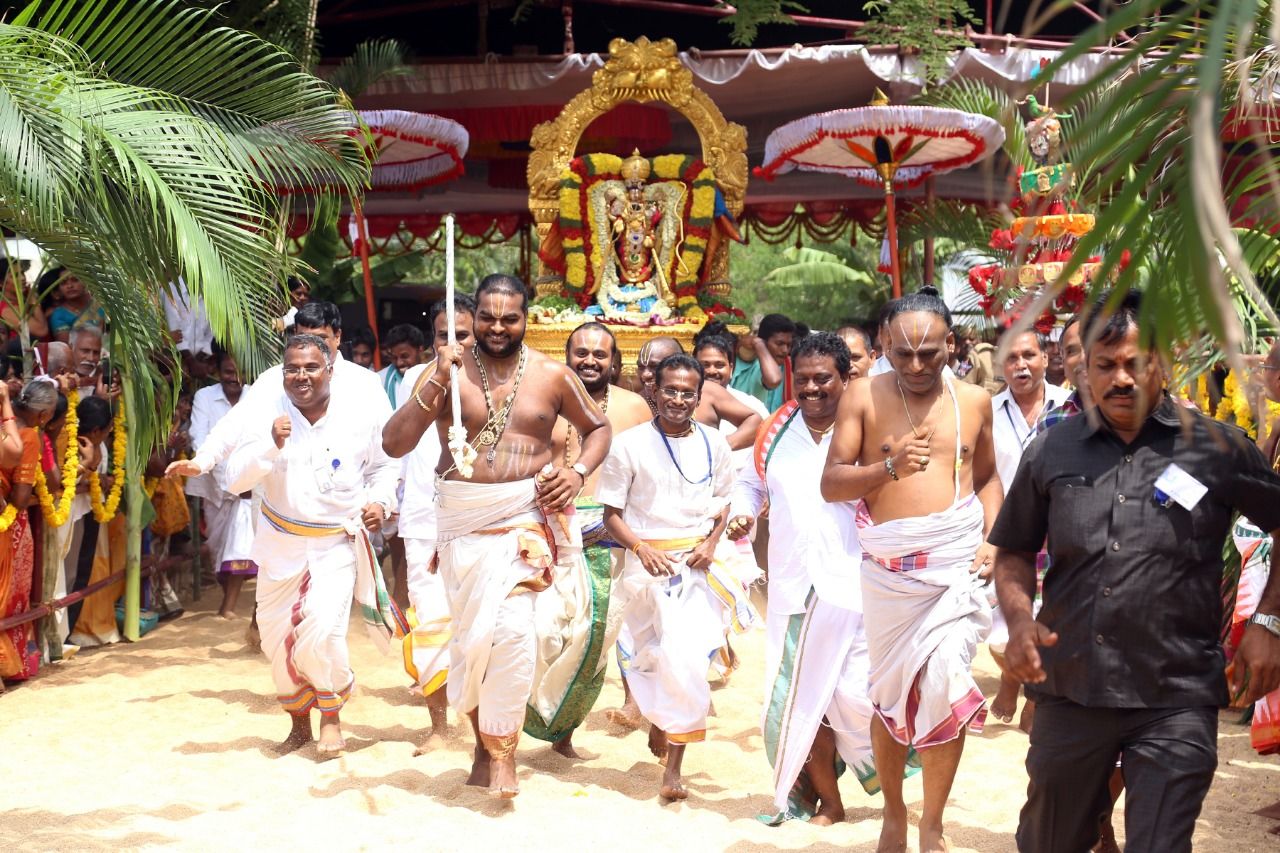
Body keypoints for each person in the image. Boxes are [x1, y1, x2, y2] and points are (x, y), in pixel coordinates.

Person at [989, 291, 1280, 853]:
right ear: (1083, 368)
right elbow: (1014, 550)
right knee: (1049, 842)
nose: (1121, 379)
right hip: (1072, 687)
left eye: (1136, 362)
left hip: (1175, 694)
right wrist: (1020, 619)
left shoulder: (1218, 449)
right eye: (1106, 365)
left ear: (1164, 362)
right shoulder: (1050, 450)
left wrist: (1268, 621)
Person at [381, 273, 610, 799]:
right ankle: (484, 749)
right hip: (461, 526)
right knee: (475, 643)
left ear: (526, 317)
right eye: (488, 317)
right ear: (473, 317)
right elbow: (395, 442)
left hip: (523, 523)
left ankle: (504, 754)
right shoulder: (444, 373)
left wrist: (575, 475)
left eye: (510, 318)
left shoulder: (552, 375)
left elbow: (598, 428)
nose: (499, 327)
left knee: (510, 634)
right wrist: (437, 378)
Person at [821, 290, 1001, 853]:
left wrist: (995, 539)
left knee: (946, 680)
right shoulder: (861, 396)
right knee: (892, 694)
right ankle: (895, 813)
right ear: (883, 346)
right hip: (890, 574)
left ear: (952, 344)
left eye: (930, 352)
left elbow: (990, 477)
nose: (917, 366)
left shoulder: (974, 400)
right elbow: (831, 484)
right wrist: (888, 467)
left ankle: (934, 822)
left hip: (955, 567)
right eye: (902, 354)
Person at [729, 332, 891, 826]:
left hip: (857, 586)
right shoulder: (776, 430)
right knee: (802, 702)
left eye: (824, 378)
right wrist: (743, 511)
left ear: (847, 378)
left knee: (854, 696)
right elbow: (750, 482)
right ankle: (829, 801)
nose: (813, 388)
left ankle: (884, 781)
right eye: (803, 379)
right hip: (793, 586)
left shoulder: (867, 428)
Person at [214, 334, 399, 758]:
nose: (301, 376)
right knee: (276, 641)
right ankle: (299, 724)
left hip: (336, 545)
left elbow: (387, 465)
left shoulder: (359, 415)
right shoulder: (267, 416)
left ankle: (330, 716)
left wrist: (380, 502)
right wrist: (269, 446)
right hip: (279, 545)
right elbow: (235, 480)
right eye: (292, 368)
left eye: (311, 367)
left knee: (321, 629)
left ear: (330, 369)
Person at [596, 353, 758, 802]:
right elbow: (611, 514)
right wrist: (641, 548)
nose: (679, 399)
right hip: (644, 570)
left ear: (699, 394)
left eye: (688, 391)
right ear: (655, 390)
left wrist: (710, 543)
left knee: (685, 662)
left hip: (695, 568)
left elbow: (724, 500)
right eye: (670, 389)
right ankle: (660, 721)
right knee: (648, 658)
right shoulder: (628, 445)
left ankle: (673, 769)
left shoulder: (714, 443)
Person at [521, 321, 651, 758]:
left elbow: (648, 474)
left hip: (610, 535)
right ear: (567, 355)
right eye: (581, 353)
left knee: (593, 641)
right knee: (546, 633)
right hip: (550, 531)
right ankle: (528, 717)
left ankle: (564, 737)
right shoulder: (542, 400)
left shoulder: (633, 407)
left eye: (600, 354)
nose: (590, 360)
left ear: (615, 361)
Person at [394, 295, 477, 748]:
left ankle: (483, 717)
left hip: (479, 516)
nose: (453, 343)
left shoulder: (494, 378)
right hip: (425, 518)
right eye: (444, 335)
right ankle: (439, 727)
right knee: (430, 620)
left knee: (479, 622)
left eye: (461, 335)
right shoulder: (416, 376)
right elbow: (397, 440)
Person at [987, 330, 1071, 724]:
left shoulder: (1068, 407)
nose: (1021, 365)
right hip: (1007, 531)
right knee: (1002, 625)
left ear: (1045, 358)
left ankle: (1033, 695)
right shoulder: (985, 411)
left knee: (1052, 613)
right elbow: (981, 476)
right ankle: (1010, 678)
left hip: (1058, 526)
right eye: (1011, 358)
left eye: (1028, 356)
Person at [187, 349, 257, 618]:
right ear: (218, 372)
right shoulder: (204, 397)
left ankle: (227, 606)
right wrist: (224, 475)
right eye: (228, 372)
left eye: (239, 373)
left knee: (239, 543)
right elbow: (198, 438)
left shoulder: (255, 397)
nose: (234, 378)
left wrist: (245, 477)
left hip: (249, 484)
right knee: (217, 547)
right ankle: (225, 595)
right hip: (213, 484)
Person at [0, 380, 51, 684]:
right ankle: (9, 664)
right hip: (10, 526)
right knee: (8, 595)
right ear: (43, 415)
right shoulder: (28, 435)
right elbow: (20, 499)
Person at [636, 337, 761, 450]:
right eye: (641, 367)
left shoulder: (708, 392)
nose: (645, 375)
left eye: (654, 366)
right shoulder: (635, 401)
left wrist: (720, 448)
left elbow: (755, 421)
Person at [731, 313, 793, 412]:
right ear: (763, 341)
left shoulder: (789, 367)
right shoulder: (753, 364)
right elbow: (773, 380)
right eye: (779, 344)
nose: (785, 350)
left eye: (789, 345)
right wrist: (758, 343)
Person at [41, 267, 105, 342]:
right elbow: (68, 347)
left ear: (85, 282)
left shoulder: (99, 303)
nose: (70, 286)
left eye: (75, 280)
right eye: (63, 283)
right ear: (59, 290)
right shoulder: (59, 315)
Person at [377, 323, 426, 406]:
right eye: (394, 358)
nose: (399, 363)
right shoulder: (380, 380)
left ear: (420, 350)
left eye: (405, 356)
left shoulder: (433, 374)